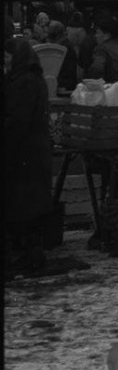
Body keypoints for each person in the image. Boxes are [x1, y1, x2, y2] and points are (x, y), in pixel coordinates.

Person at [4, 38, 56, 275]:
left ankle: (31, 255)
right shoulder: (34, 79)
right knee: (32, 204)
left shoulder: (22, 82)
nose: (4, 61)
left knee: (24, 203)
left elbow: (17, 121)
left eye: (7, 56)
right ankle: (32, 253)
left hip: (26, 152)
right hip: (36, 151)